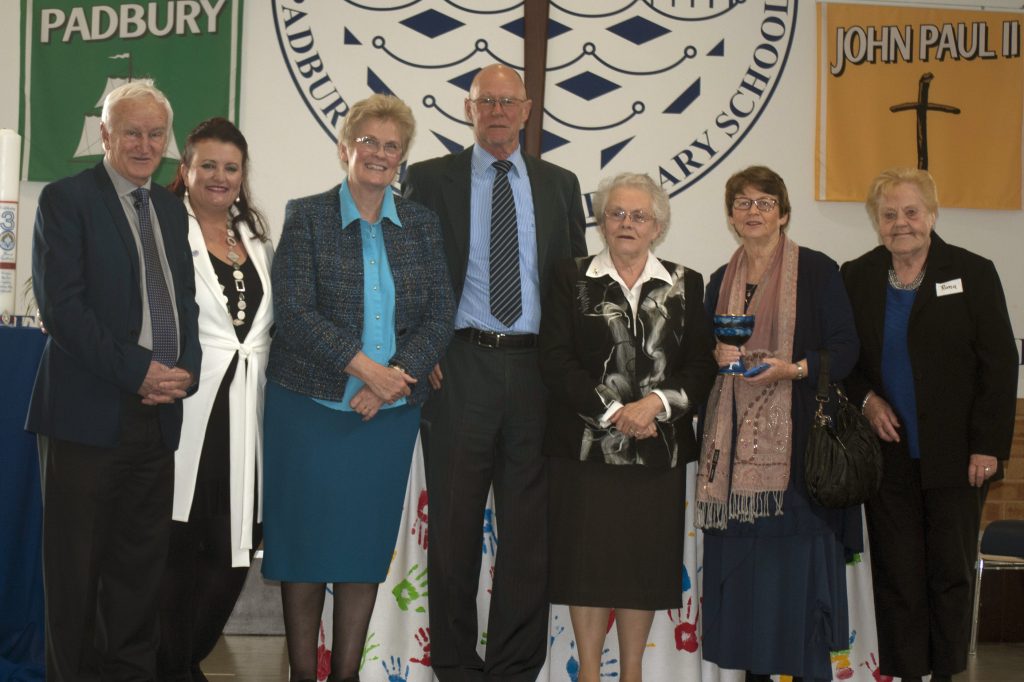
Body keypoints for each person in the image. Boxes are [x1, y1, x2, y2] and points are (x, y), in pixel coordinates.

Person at [403, 63, 587, 681]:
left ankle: (513, 669)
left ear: (528, 108)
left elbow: (574, 285)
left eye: (510, 101)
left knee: (528, 535)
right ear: (468, 108)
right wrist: (416, 349)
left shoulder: (561, 184)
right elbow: (407, 271)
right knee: (453, 528)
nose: (499, 111)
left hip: (537, 372)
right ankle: (454, 666)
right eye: (488, 101)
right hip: (459, 367)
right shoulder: (428, 179)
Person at [261, 94, 454, 682]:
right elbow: (293, 310)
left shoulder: (421, 224)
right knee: (303, 552)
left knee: (360, 553)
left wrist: (392, 381)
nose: (378, 154)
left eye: (390, 146)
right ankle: (301, 672)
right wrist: (365, 369)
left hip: (386, 419)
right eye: (367, 142)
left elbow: (440, 313)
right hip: (308, 409)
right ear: (345, 149)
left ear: (402, 159)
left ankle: (344, 674)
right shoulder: (309, 214)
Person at [26, 81, 201, 681]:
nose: (146, 144)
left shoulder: (174, 209)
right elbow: (64, 310)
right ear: (104, 135)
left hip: (157, 420)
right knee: (76, 574)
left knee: (138, 571)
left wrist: (185, 374)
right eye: (132, 132)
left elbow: (185, 303)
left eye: (156, 134)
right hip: (86, 416)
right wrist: (138, 373)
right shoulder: (65, 200)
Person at [841, 168, 1018, 682]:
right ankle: (906, 672)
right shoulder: (857, 275)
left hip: (959, 456)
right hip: (888, 455)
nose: (902, 224)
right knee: (898, 574)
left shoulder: (973, 271)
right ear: (877, 221)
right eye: (890, 214)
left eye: (912, 212)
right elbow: (843, 358)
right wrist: (867, 399)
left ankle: (946, 673)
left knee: (950, 573)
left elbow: (1000, 364)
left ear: (933, 215)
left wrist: (987, 446)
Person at [538, 173, 716, 682]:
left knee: (643, 568)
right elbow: (555, 360)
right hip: (584, 451)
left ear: (657, 225)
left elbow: (701, 366)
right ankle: (590, 674)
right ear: (600, 220)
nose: (626, 224)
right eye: (616, 213)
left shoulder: (687, 282)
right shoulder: (568, 277)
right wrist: (616, 411)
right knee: (586, 569)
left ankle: (632, 673)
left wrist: (655, 403)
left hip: (657, 452)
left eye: (638, 216)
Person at [695, 166, 861, 681]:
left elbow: (846, 349)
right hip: (735, 467)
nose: (752, 211)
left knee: (797, 595)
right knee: (747, 599)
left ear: (784, 214)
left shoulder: (816, 270)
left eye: (765, 202)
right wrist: (716, 354)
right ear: (730, 217)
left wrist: (794, 368)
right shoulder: (720, 280)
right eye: (742, 202)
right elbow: (705, 360)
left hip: (798, 464)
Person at [157, 118, 274, 681]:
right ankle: (172, 666)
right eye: (208, 165)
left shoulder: (253, 236)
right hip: (186, 412)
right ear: (186, 170)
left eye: (231, 168)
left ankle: (181, 661)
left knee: (231, 555)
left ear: (243, 175)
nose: (219, 177)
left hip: (244, 418)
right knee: (176, 547)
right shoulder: (164, 228)